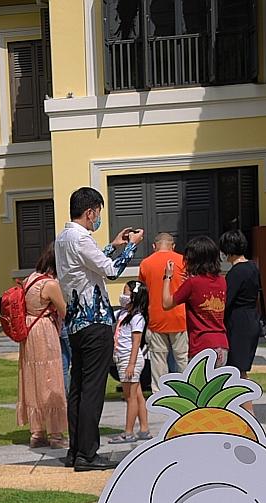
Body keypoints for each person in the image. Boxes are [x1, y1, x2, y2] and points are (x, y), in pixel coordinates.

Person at [55, 186, 141, 472]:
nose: (98, 219)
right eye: (98, 214)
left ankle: (75, 450)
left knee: (78, 388)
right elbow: (111, 271)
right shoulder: (82, 238)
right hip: (95, 323)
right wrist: (131, 246)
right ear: (90, 211)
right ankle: (88, 454)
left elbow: (88, 265)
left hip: (76, 323)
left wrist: (112, 246)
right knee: (93, 390)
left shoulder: (64, 238)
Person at [16, 244, 68, 449]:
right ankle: (56, 434)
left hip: (29, 330)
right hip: (44, 330)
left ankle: (37, 433)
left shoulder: (30, 279)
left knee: (33, 380)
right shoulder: (50, 284)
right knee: (51, 379)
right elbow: (64, 311)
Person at [160, 235, 228, 365]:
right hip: (221, 342)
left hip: (201, 344)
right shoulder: (222, 281)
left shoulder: (192, 283)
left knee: (199, 385)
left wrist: (167, 277)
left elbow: (166, 303)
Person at [220, 229, 262, 415]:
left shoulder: (236, 273)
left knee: (237, 370)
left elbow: (226, 301)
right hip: (251, 318)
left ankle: (248, 412)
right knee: (241, 368)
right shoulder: (253, 267)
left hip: (238, 322)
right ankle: (243, 410)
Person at [137, 233, 189, 377]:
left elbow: (142, 291)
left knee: (158, 361)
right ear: (173, 246)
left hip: (156, 318)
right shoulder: (183, 261)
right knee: (182, 360)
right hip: (180, 317)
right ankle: (188, 394)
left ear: (154, 246)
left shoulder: (145, 263)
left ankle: (159, 395)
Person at [108, 280, 150, 445]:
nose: (122, 296)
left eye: (125, 292)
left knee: (130, 397)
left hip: (129, 359)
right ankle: (144, 428)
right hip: (122, 358)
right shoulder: (122, 314)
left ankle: (128, 432)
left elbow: (136, 343)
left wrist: (131, 364)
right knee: (138, 395)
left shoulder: (137, 317)